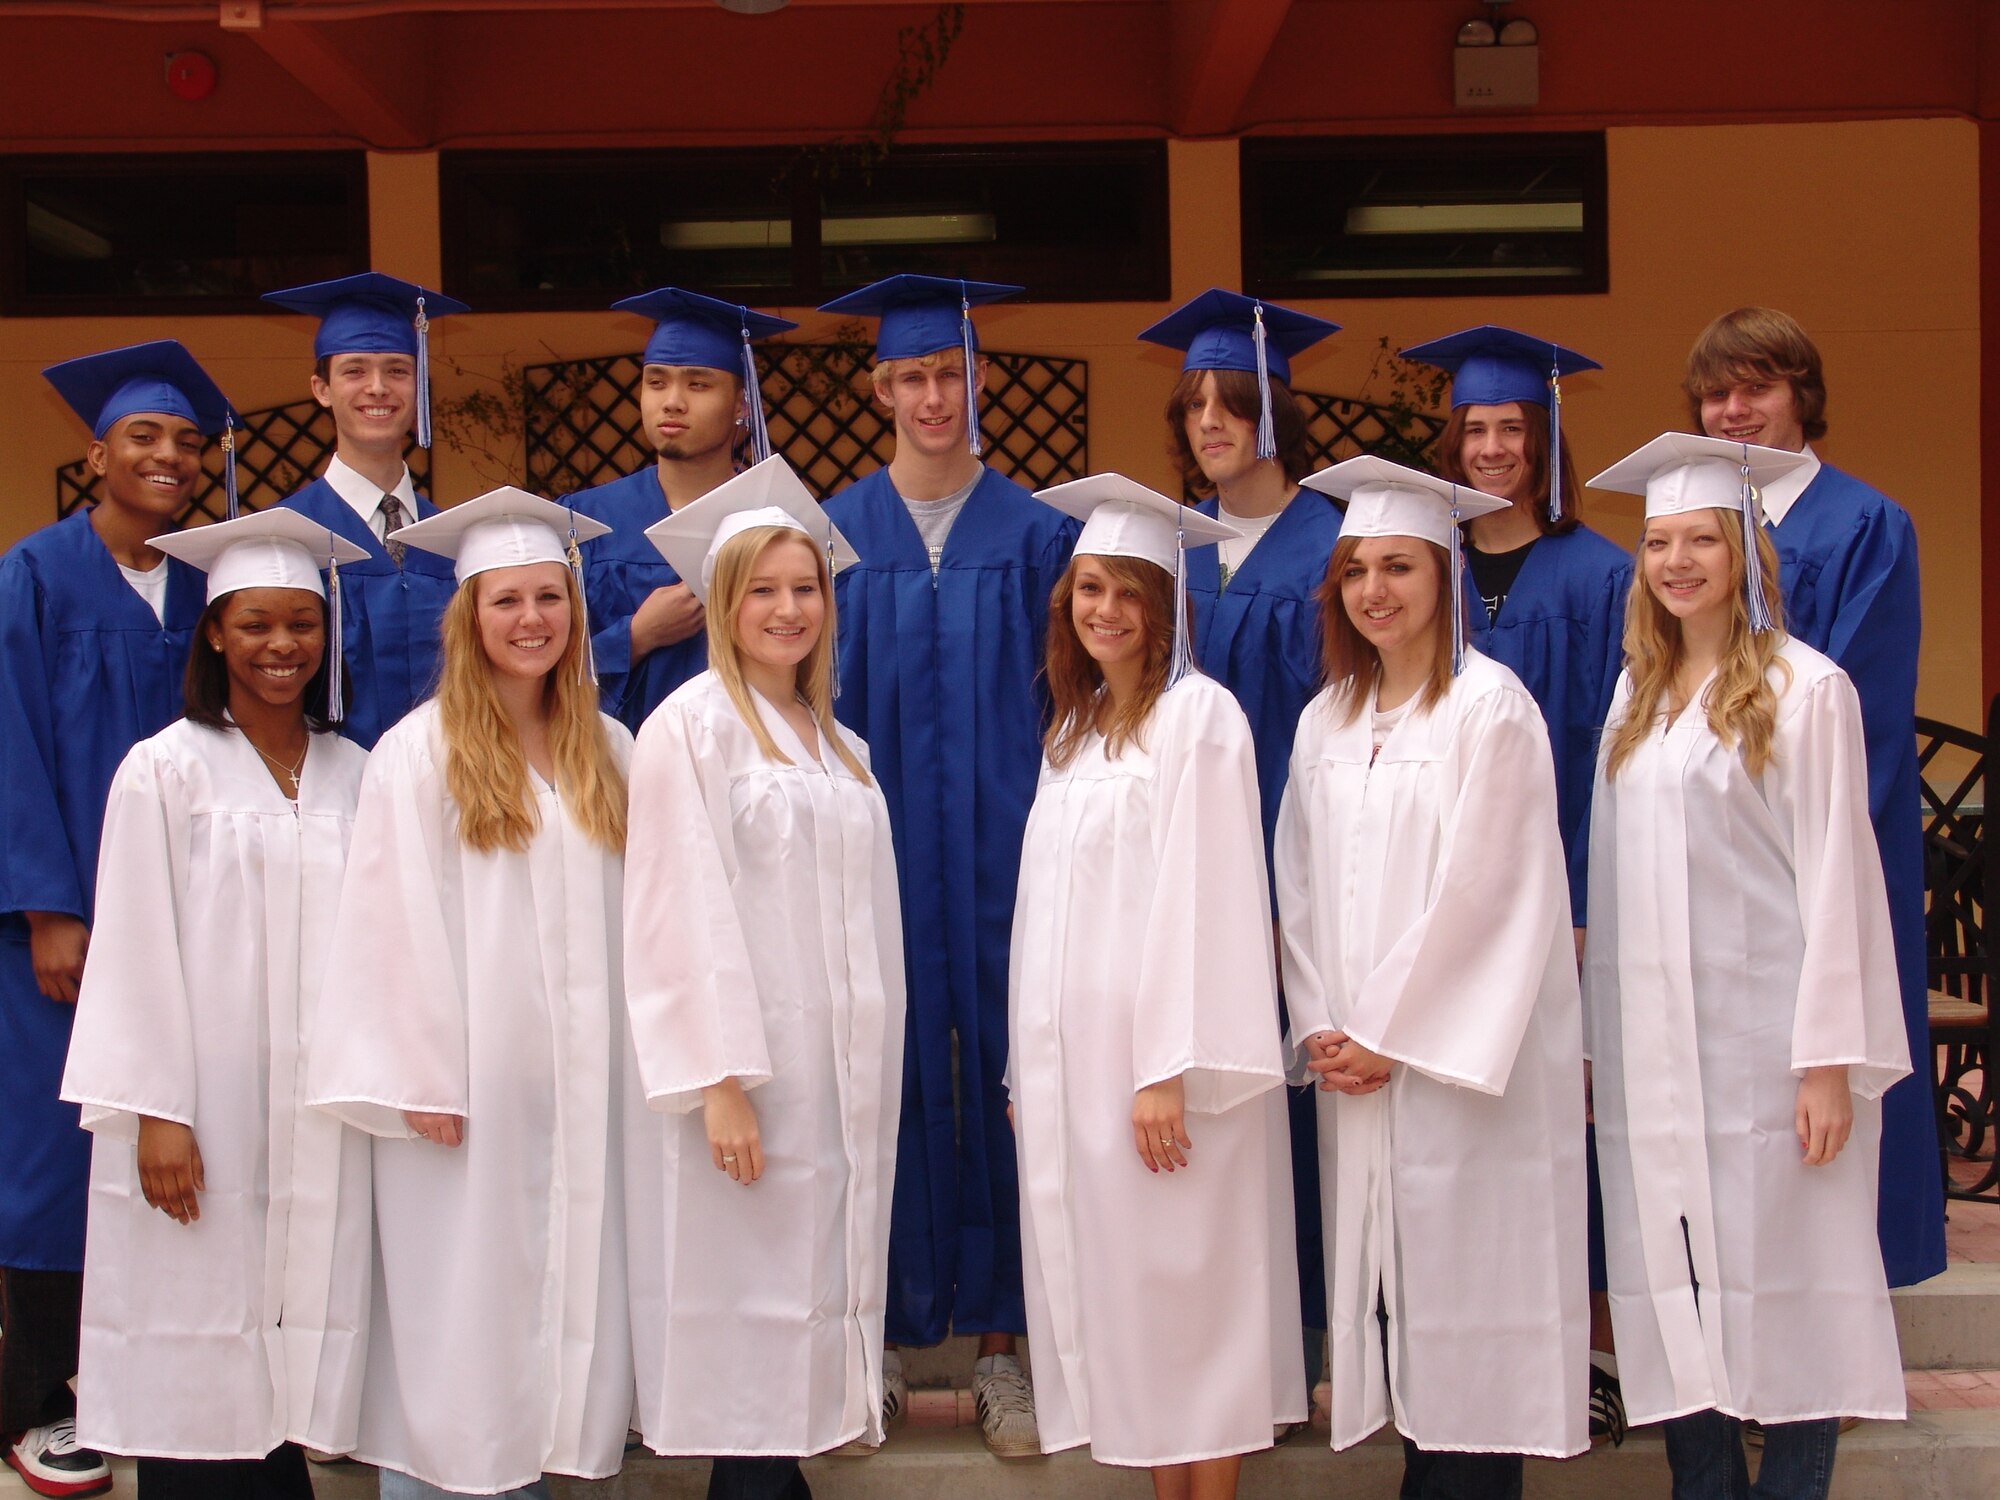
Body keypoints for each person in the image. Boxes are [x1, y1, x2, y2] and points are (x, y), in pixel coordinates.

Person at [1583, 433, 1910, 1500]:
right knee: (1673, 1290)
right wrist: (1598, 1045)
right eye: (1655, 542)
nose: (1674, 562)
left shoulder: (1802, 691)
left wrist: (1827, 1060)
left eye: (1697, 542)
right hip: (1656, 1059)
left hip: (1768, 1049)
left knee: (1789, 1293)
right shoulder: (1633, 701)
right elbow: (1612, 891)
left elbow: (1836, 880)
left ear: (1741, 553)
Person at [305, 488, 634, 1499]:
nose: (532, 619)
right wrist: (419, 1075)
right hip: (461, 1098)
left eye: (549, 598)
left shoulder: (610, 752)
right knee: (463, 1317)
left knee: (560, 1302)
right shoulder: (419, 753)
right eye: (507, 601)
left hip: (584, 1095)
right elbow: (385, 925)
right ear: (469, 616)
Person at [1276, 455, 1589, 1497]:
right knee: (1396, 1303)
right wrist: (1323, 1025)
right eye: (1355, 569)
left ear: (1443, 576)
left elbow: (1488, 894)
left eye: (1399, 567)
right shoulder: (1325, 720)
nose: (1374, 590)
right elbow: (1297, 885)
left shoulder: (1488, 710)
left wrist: (1388, 1035)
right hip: (1357, 1072)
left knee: (1468, 1312)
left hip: (1453, 1078)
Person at [815, 273, 1078, 1456]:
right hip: (865, 861)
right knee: (869, 1082)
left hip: (1010, 857)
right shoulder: (827, 538)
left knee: (1014, 1090)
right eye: (912, 375)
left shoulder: (1038, 538)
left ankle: (1002, 1353)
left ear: (980, 381)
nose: (934, 394)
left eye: (951, 373)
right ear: (879, 387)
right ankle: (865, 1343)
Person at [60, 510, 372, 1500]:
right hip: (202, 1110)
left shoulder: (355, 774)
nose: (281, 646)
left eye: (301, 624)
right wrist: (157, 1113)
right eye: (255, 625)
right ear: (213, 633)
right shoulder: (165, 769)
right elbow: (136, 952)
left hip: (321, 1111)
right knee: (198, 1330)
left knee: (293, 1338)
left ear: (326, 636)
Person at [1010, 473, 1303, 1499]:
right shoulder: (1073, 730)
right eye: (1086, 589)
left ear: (1166, 604)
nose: (1102, 610)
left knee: (1194, 1301)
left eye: (1125, 591)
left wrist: (1165, 1069)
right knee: (1139, 1306)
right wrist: (1025, 1068)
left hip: (1167, 1078)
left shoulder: (1199, 719)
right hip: (1084, 1078)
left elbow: (1208, 901)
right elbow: (1041, 918)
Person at [622, 456, 899, 1500]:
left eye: (805, 587)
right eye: (762, 589)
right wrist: (718, 1079)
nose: (788, 609)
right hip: (742, 1086)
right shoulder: (688, 729)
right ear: (721, 602)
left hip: (830, 1085)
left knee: (799, 1314)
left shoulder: (840, 746)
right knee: (744, 1329)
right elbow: (672, 909)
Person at [0, 341, 235, 1500]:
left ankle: (163, 1379)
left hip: (199, 922)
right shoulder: (34, 576)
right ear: (95, 453)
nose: (169, 458)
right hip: (73, 925)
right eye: (144, 438)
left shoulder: (209, 587)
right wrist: (47, 905)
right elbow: (10, 740)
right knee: (57, 1155)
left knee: (186, 1140)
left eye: (189, 443)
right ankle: (49, 1401)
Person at [1399, 324, 1630, 1441]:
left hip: (1558, 906)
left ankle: (1582, 1346)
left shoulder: (1598, 576)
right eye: (1474, 430)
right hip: (1436, 910)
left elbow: (1602, 753)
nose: (1491, 450)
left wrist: (1581, 903)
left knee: (1562, 1121)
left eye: (1511, 431)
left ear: (1542, 443)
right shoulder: (1414, 575)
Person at [1684, 307, 1942, 1289]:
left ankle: (1846, 1308)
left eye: (1757, 387)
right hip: (1712, 864)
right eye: (1716, 392)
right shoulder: (1691, 532)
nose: (1734, 408)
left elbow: (1864, 714)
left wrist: (1777, 838)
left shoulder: (1861, 524)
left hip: (1826, 851)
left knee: (1834, 1076)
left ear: (1802, 397)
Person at [1136, 287, 1342, 1428]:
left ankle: (1313, 1337)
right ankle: (1222, 1350)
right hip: (1190, 876)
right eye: (1196, 409)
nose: (1211, 425)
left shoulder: (1332, 541)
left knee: (1299, 1103)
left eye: (1233, 404)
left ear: (1275, 414)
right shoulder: (1171, 545)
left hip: (1299, 869)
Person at [572, 287, 798, 732]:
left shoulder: (778, 523)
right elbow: (539, 668)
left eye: (698, 384)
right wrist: (636, 637)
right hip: (617, 776)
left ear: (741, 405)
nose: (672, 400)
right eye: (656, 382)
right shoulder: (586, 522)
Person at [262, 272, 471, 749]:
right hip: (329, 798)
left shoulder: (455, 539)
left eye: (397, 370)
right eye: (354, 370)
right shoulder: (285, 537)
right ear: (321, 388)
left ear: (419, 385)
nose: (377, 387)